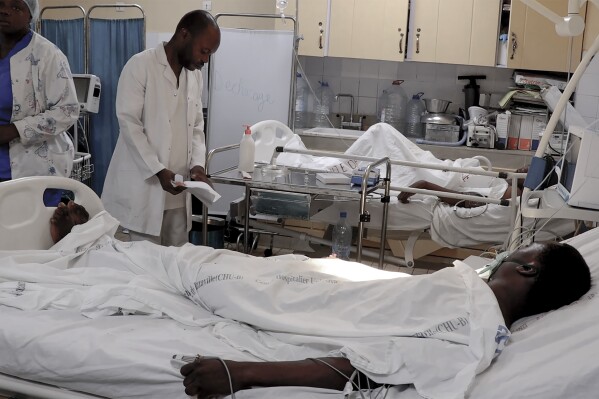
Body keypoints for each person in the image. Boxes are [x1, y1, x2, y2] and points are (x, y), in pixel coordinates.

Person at [180, 241, 591, 398]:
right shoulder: (469, 286)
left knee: (206, 277)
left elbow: (371, 366)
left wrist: (239, 373)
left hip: (302, 306)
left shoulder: (474, 334)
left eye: (524, 249)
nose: (512, 251)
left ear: (527, 269)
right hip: (326, 289)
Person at [101, 10, 221, 247]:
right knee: (145, 266)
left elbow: (197, 125)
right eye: (204, 51)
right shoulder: (140, 66)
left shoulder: (194, 76)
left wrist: (197, 165)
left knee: (176, 262)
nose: (205, 60)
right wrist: (157, 170)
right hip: (145, 187)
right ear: (184, 35)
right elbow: (129, 125)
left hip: (177, 190)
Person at [0, 0, 79, 205]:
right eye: (1, 4)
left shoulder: (48, 55)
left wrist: (14, 130)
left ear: (30, 16)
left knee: (31, 234)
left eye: (16, 7)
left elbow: (67, 110)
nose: (5, 11)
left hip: (35, 167)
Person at [397, 166, 529, 208]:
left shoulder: (511, 192)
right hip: (448, 170)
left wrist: (425, 185)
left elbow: (466, 198)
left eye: (529, 170)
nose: (523, 168)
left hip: (442, 180)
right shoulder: (505, 182)